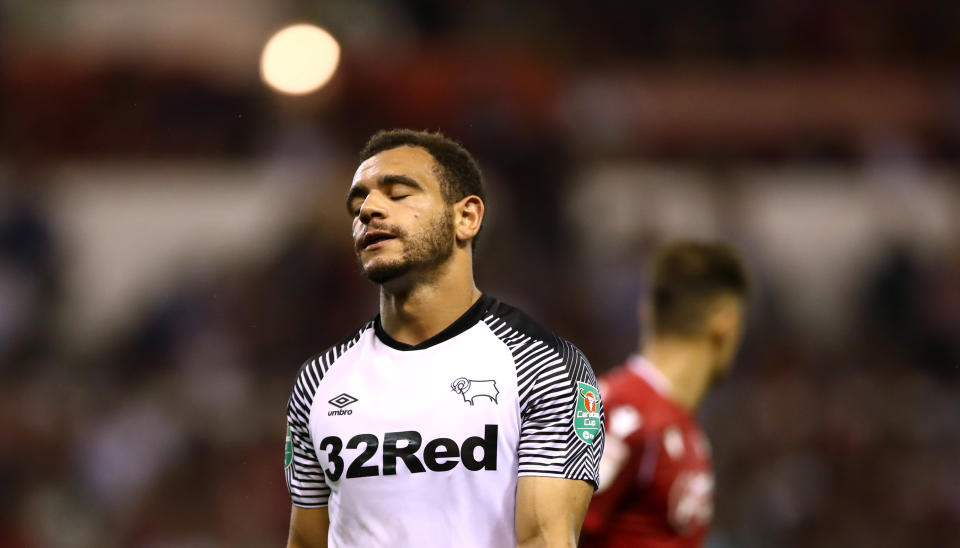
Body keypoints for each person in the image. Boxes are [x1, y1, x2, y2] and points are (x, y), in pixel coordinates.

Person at [283, 129, 605, 548]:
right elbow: (306, 542)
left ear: (466, 217)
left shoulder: (543, 365)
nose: (368, 210)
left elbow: (544, 540)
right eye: (358, 203)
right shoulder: (319, 381)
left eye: (398, 194)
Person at [580, 241, 750, 548]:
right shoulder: (621, 412)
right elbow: (548, 532)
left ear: (647, 312)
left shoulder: (683, 428)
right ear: (726, 323)